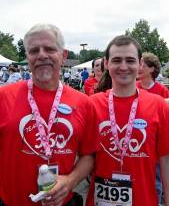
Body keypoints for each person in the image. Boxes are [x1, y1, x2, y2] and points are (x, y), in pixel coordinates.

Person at [0, 24, 99, 206]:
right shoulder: (4, 97)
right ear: (28, 57)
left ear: (64, 55)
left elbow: (89, 156)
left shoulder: (83, 103)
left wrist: (69, 182)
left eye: (49, 49)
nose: (41, 55)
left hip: (63, 202)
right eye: (34, 50)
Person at [85, 35, 169, 206]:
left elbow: (165, 161)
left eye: (130, 60)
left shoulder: (159, 106)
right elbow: (83, 157)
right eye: (117, 60)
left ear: (139, 64)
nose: (123, 67)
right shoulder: (91, 105)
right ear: (106, 64)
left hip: (144, 200)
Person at [137, 52, 169, 206]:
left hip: (154, 144)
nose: (138, 68)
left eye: (142, 65)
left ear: (151, 69)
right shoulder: (133, 87)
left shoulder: (162, 91)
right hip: (136, 141)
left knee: (156, 180)